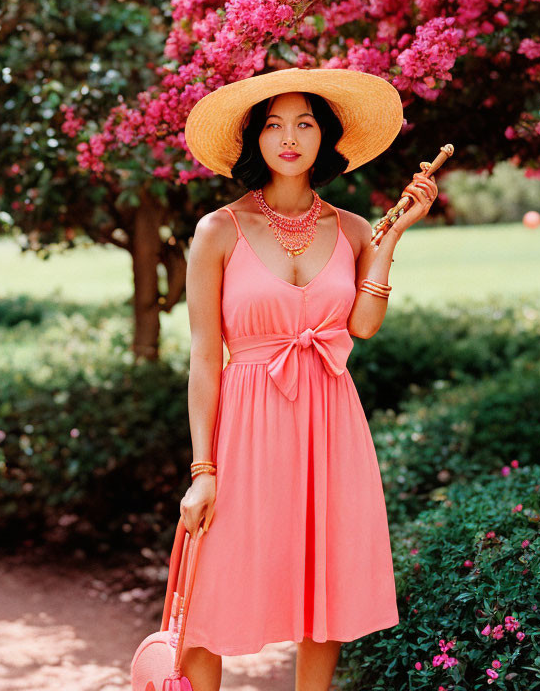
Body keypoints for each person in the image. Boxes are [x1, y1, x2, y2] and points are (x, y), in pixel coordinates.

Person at [177, 67, 438, 691]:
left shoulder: (350, 229)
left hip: (331, 418)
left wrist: (390, 238)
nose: (289, 137)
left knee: (326, 593)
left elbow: (365, 325)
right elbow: (204, 358)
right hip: (244, 426)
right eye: (273, 125)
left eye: (304, 123)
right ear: (254, 140)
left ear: (324, 137)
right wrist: (202, 470)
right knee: (208, 599)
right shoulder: (218, 230)